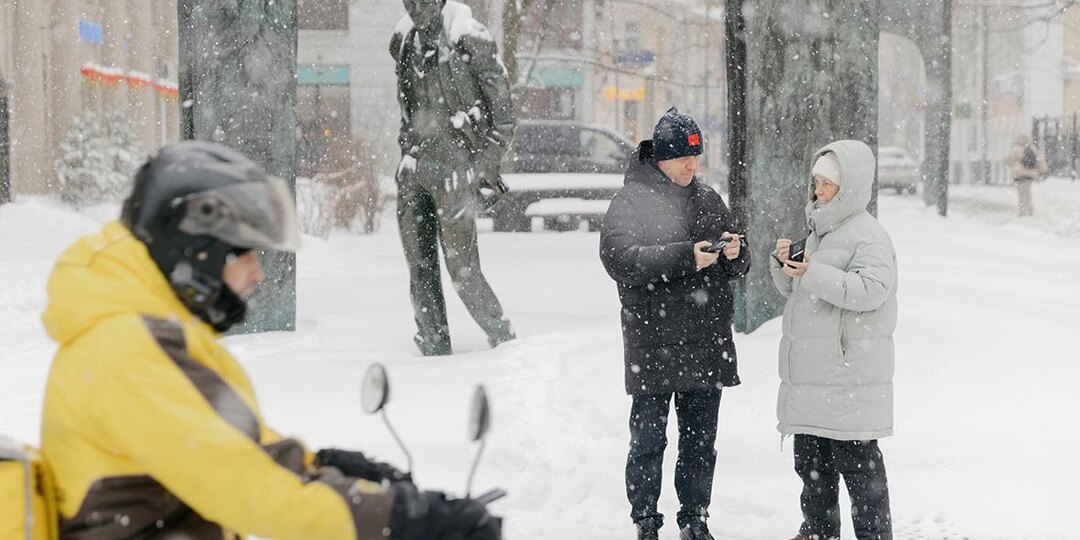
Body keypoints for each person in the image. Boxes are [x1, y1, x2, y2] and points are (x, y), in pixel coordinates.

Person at [39, 141, 500, 539]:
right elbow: (242, 486)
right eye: (243, 254)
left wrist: (319, 465)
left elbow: (222, 446)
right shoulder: (127, 350)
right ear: (194, 252)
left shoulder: (136, 332)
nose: (257, 273)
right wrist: (401, 520)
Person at [600, 108, 750, 540]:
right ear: (660, 158)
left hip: (705, 342)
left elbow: (737, 265)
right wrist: (685, 257)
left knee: (700, 444)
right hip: (654, 342)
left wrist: (738, 255)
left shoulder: (707, 198)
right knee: (648, 442)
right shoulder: (630, 202)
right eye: (684, 157)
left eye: (697, 155)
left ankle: (695, 517)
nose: (692, 164)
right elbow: (620, 259)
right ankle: (646, 520)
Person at [771, 141, 897, 540]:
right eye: (817, 182)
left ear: (849, 188)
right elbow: (798, 294)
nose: (818, 191)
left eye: (827, 184)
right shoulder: (820, 229)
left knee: (860, 471)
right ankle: (817, 532)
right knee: (812, 464)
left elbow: (871, 291)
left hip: (847, 378)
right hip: (814, 376)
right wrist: (785, 266)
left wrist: (810, 273)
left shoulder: (868, 236)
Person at [389, 0, 516, 356]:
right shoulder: (402, 41)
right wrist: (406, 156)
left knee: (463, 270)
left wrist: (481, 167)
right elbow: (408, 108)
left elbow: (504, 118)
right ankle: (433, 346)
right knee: (419, 266)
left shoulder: (469, 39)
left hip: (455, 168)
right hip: (414, 168)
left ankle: (505, 340)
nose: (415, 7)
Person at [1004, 133, 1048, 217]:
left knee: (1021, 193)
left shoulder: (1016, 149)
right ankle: (1030, 210)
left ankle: (1022, 211)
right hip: (1030, 174)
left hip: (1020, 174)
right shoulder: (1032, 148)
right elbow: (1040, 161)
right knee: (1028, 192)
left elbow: (1010, 160)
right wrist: (1042, 170)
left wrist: (1007, 161)